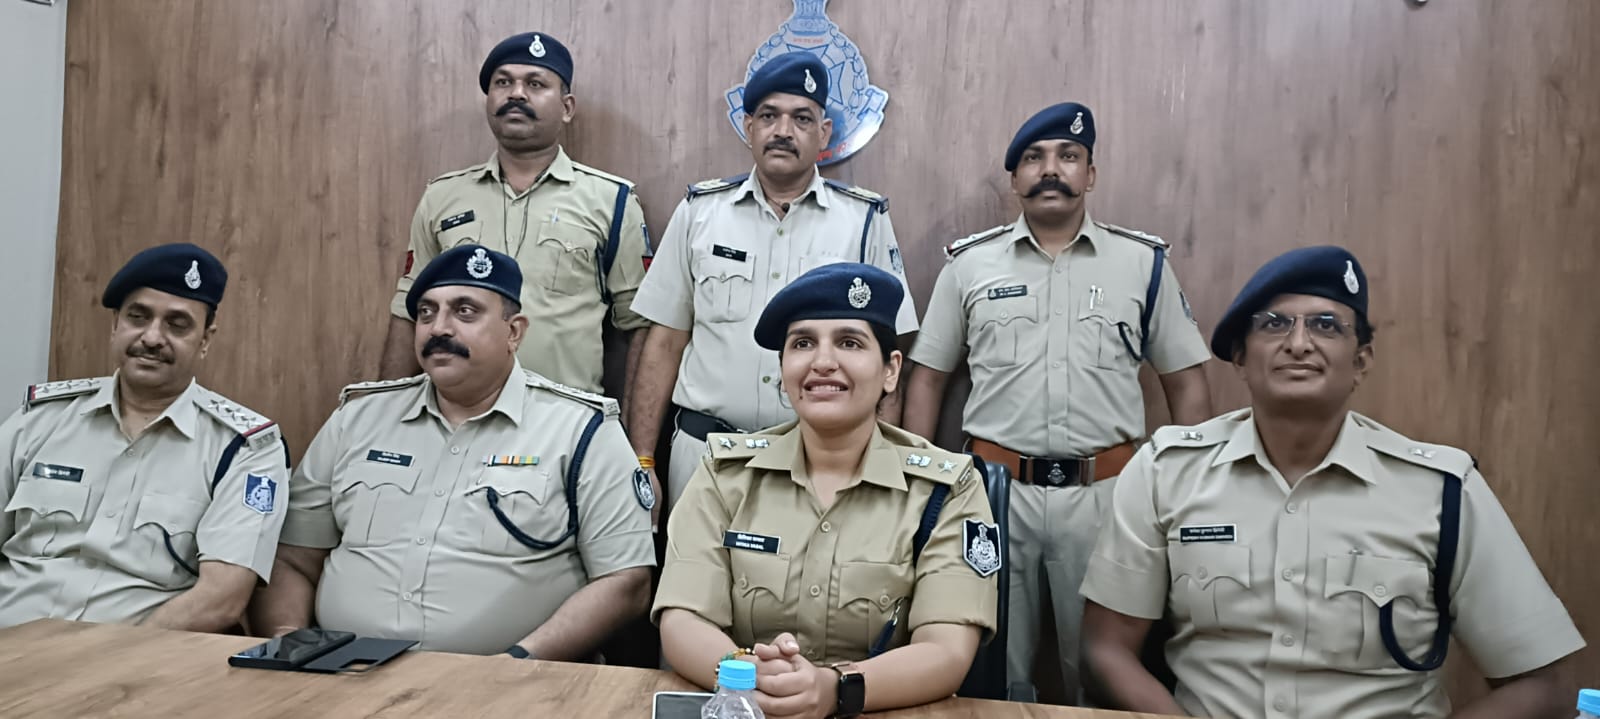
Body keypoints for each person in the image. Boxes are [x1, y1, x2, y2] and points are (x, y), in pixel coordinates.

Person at [1081, 246, 1586, 718]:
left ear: (1360, 361)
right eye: (1274, 324)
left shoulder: (1442, 490)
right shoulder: (1167, 471)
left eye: (1325, 325)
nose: (1299, 344)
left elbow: (1542, 683)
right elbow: (1106, 649)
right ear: (1240, 358)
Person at [901, 101, 1213, 701]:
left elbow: (1187, 382)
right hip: (993, 496)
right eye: (1034, 158)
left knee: (1103, 670)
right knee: (989, 667)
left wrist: (1187, 491)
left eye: (1068, 156)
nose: (1051, 169)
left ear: (1089, 174)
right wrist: (923, 483)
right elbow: (927, 378)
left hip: (1107, 499)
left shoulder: (1141, 265)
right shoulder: (970, 266)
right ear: (1014, 179)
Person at [252, 244, 654, 658]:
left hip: (508, 682)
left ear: (514, 332)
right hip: (344, 674)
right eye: (426, 313)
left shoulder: (581, 430)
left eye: (465, 311)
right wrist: (291, 645)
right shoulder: (357, 419)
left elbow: (626, 581)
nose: (439, 328)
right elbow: (293, 559)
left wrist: (518, 663)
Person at [653, 263, 996, 719]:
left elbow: (946, 651)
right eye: (802, 344)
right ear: (782, 369)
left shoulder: (946, 489)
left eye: (850, 343)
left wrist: (834, 688)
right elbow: (682, 618)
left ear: (890, 370)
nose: (822, 362)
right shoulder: (725, 474)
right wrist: (752, 676)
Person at [626, 52, 917, 524]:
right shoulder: (699, 213)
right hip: (706, 453)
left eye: (801, 118)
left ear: (824, 133)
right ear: (748, 127)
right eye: (768, 116)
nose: (783, 131)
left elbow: (888, 358)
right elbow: (664, 343)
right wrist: (643, 460)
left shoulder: (863, 220)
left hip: (821, 460)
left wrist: (877, 470)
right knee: (694, 572)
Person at [0, 243, 288, 631]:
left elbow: (220, 599)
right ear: (116, 324)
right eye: (138, 317)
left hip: (137, 657)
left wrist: (107, 658)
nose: (152, 337)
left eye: (177, 324)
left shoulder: (244, 449)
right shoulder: (40, 419)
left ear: (205, 340)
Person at [379, 31, 652, 398]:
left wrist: (632, 435)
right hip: (456, 414)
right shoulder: (442, 197)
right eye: (503, 82)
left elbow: (641, 324)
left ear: (567, 107)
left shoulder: (611, 201)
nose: (516, 94)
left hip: (562, 417)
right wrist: (383, 412)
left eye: (535, 84)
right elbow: (409, 311)